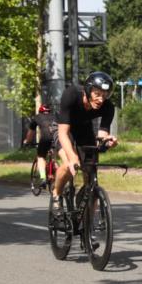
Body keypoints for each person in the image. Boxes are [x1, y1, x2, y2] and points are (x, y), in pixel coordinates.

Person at [51, 72, 118, 215]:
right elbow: (63, 133)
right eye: (97, 94)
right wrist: (73, 156)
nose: (101, 99)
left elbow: (101, 136)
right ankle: (56, 194)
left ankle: (87, 217)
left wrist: (107, 142)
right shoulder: (71, 95)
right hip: (63, 127)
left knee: (91, 175)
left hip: (84, 129)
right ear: (87, 90)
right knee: (69, 164)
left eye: (105, 95)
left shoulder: (108, 107)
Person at [24, 104, 56, 184]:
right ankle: (58, 172)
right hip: (58, 138)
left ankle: (43, 178)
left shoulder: (37, 117)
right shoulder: (56, 116)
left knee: (41, 157)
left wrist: (27, 142)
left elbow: (30, 133)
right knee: (54, 157)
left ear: (40, 111)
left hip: (45, 138)